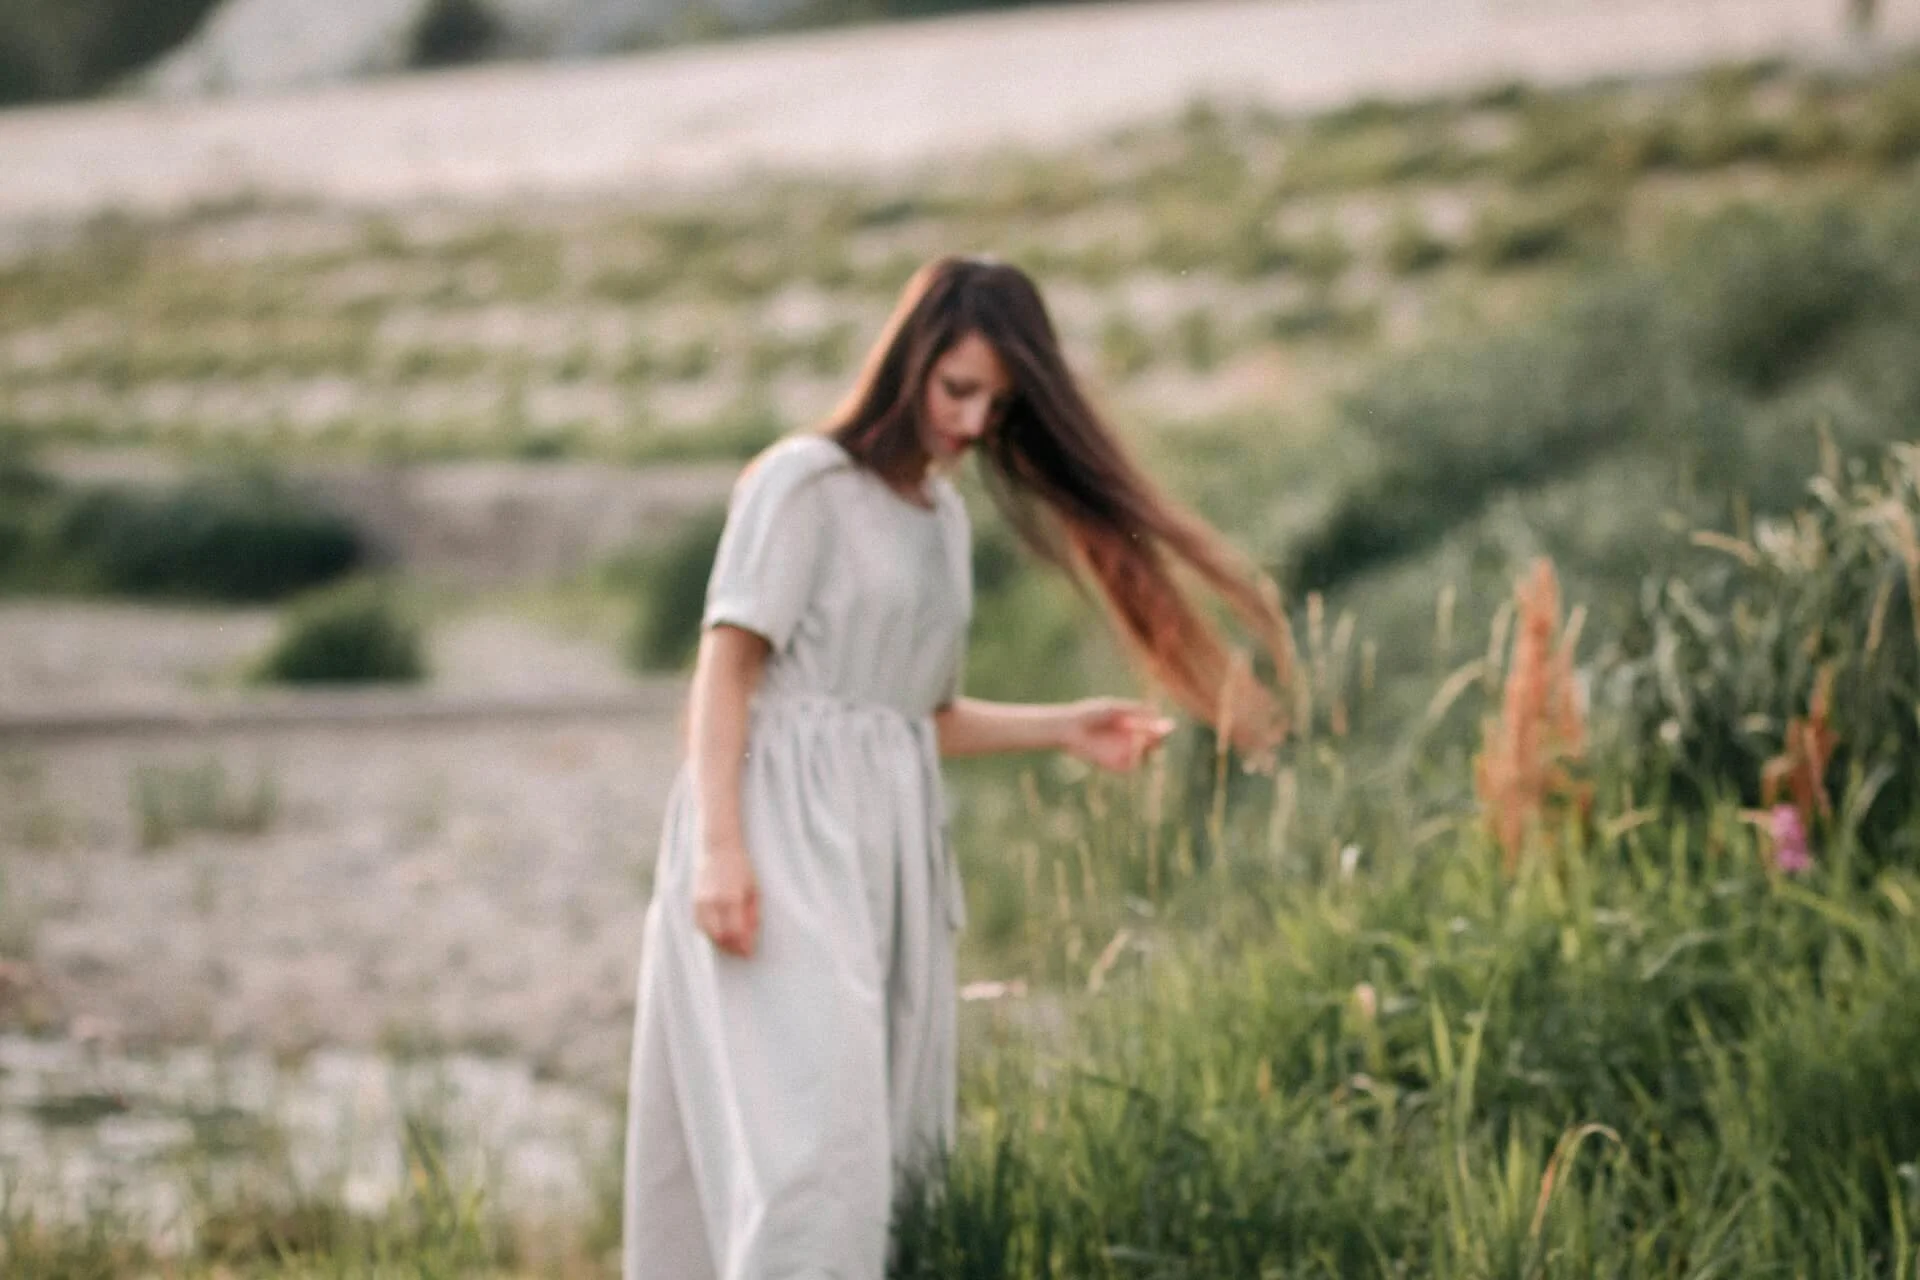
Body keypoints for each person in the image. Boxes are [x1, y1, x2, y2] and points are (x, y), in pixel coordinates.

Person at [624, 255, 1293, 1280]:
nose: (976, 421)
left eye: (1001, 402)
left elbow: (909, 715)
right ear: (909, 360)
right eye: (960, 388)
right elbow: (728, 668)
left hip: (886, 851)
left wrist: (1063, 726)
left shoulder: (940, 520)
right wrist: (721, 848)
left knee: (879, 1151)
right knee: (811, 1156)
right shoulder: (802, 481)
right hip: (776, 834)